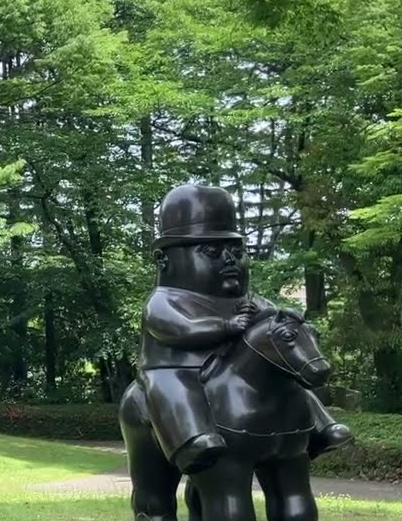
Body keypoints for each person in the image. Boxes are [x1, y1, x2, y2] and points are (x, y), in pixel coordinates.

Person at [138, 184, 353, 474]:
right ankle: (191, 441)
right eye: (212, 251)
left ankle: (321, 426)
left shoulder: (246, 299)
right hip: (180, 369)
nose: (229, 260)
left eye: (236, 251)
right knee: (173, 389)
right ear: (165, 260)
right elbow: (179, 329)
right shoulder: (163, 300)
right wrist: (226, 325)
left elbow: (270, 321)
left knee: (287, 377)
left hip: (235, 372)